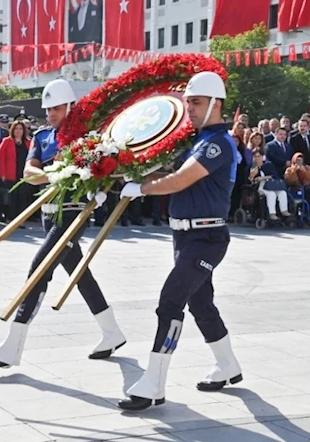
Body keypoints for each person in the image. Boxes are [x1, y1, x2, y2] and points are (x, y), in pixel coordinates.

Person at [117, 72, 243, 411]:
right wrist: (127, 177)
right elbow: (170, 177)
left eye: (197, 103)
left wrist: (142, 189)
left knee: (170, 302)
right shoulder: (198, 142)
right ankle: (228, 366)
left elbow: (180, 180)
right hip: (185, 235)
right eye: (189, 103)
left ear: (217, 104)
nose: (190, 109)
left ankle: (154, 384)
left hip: (207, 237)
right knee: (201, 304)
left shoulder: (217, 144)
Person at [0, 79, 126, 368]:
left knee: (39, 269)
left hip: (72, 213)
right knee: (79, 273)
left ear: (71, 107)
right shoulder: (43, 136)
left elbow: (102, 168)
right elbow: (29, 171)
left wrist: (88, 179)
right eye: (48, 109)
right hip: (48, 212)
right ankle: (111, 331)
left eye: (57, 108)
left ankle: (13, 344)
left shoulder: (88, 139)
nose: (51, 115)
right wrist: (56, 173)